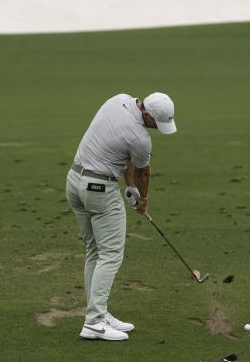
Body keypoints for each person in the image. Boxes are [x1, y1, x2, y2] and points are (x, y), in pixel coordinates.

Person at [66, 92, 177, 341]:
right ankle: (94, 322)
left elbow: (122, 154)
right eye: (155, 123)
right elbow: (143, 172)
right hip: (98, 190)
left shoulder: (118, 100)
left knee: (94, 250)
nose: (156, 129)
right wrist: (143, 200)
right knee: (111, 254)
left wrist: (130, 187)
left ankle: (98, 312)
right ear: (147, 114)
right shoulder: (141, 138)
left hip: (74, 181)